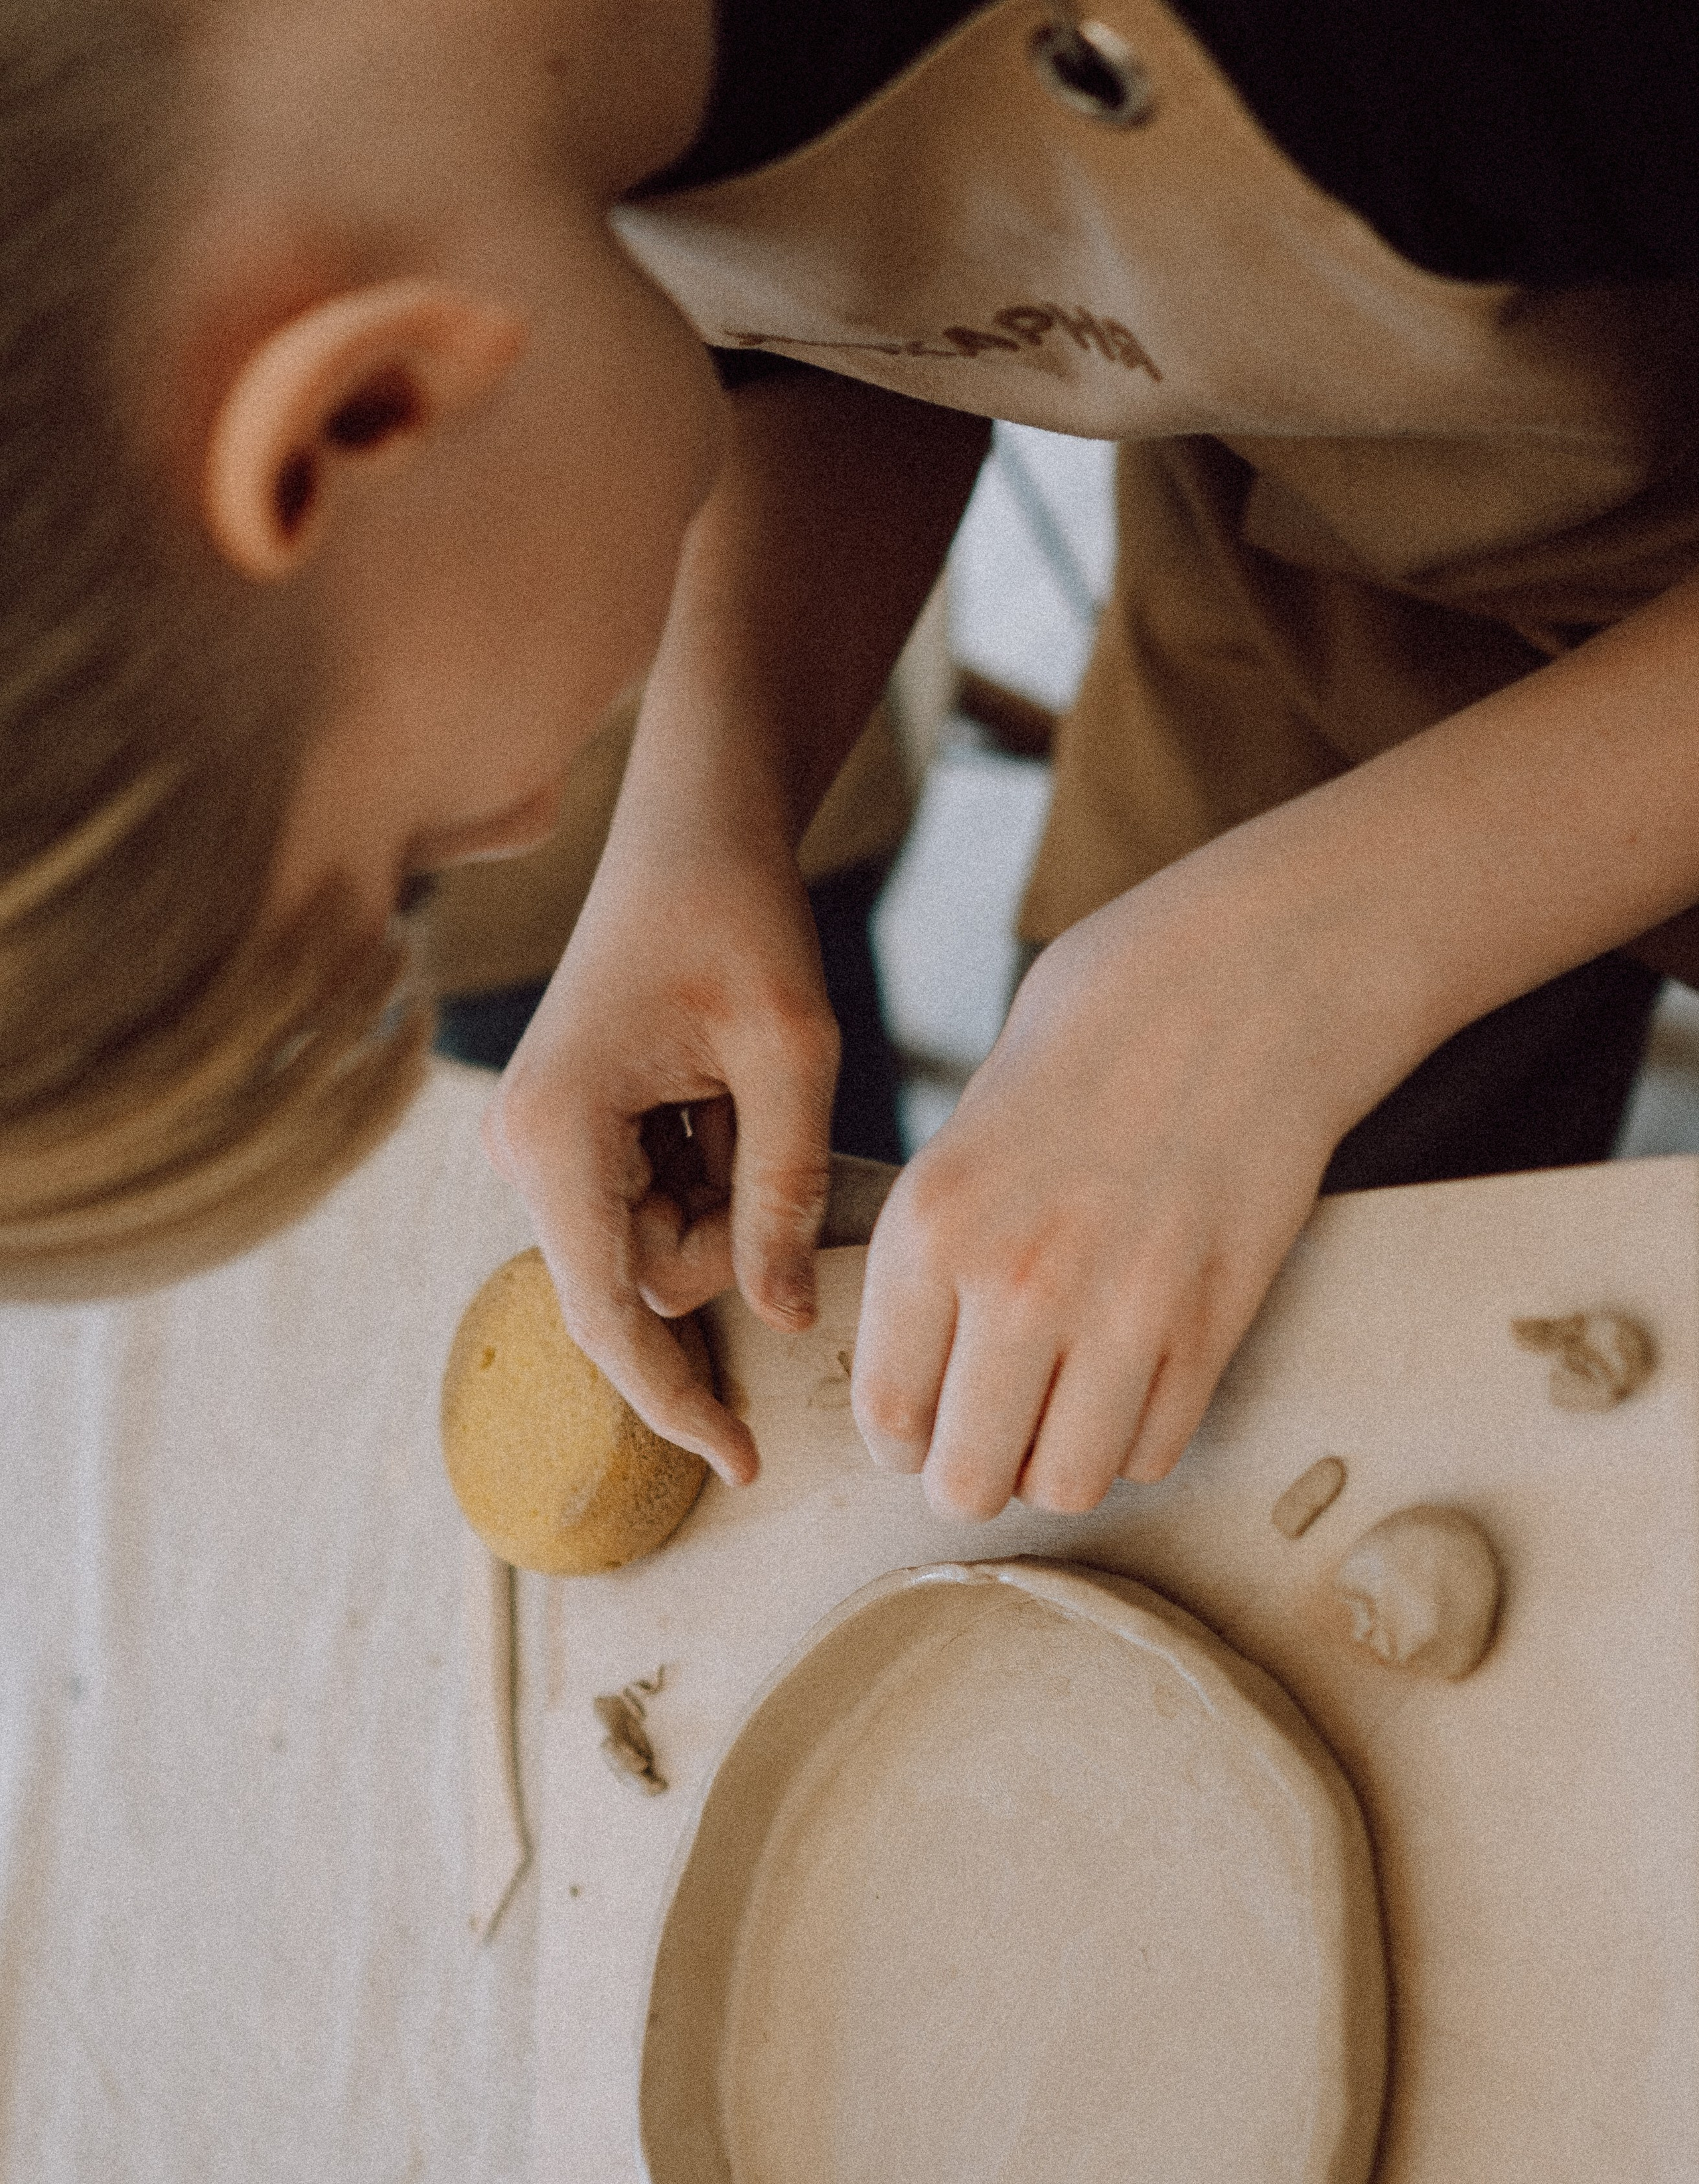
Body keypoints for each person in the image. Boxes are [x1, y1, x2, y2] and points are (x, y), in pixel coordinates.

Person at [5, 0, 1699, 1521]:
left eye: (421, 857)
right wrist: (706, 811)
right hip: (1317, 536)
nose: (531, 823)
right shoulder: (462, 81)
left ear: (354, 420)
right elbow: (861, 267)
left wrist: (1315, 956)